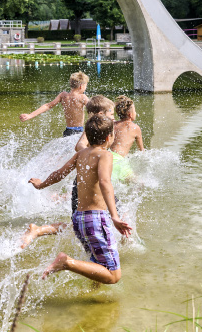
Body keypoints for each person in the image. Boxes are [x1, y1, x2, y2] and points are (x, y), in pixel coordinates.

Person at [30, 114, 133, 284]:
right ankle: (66, 262)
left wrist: (41, 185)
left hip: (79, 219)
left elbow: (59, 174)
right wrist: (115, 216)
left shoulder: (81, 154)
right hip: (96, 219)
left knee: (97, 263)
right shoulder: (105, 155)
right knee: (113, 275)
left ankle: (95, 303)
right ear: (109, 137)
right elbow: (105, 182)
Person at [21, 95, 115, 248]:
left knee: (82, 222)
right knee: (89, 221)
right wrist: (94, 155)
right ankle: (39, 230)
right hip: (91, 184)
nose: (113, 116)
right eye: (111, 113)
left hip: (93, 183)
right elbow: (79, 146)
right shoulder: (92, 132)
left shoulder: (105, 131)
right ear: (100, 115)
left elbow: (61, 172)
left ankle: (40, 230)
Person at [20, 71, 89, 137]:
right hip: (79, 131)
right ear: (81, 86)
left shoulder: (63, 95)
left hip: (68, 131)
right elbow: (94, 108)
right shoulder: (82, 97)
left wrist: (30, 115)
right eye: (86, 85)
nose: (85, 88)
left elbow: (48, 105)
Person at [108, 95, 144, 182]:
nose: (136, 113)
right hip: (119, 161)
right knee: (140, 183)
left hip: (108, 156)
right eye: (135, 111)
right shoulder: (135, 128)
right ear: (130, 114)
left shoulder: (112, 124)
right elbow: (141, 151)